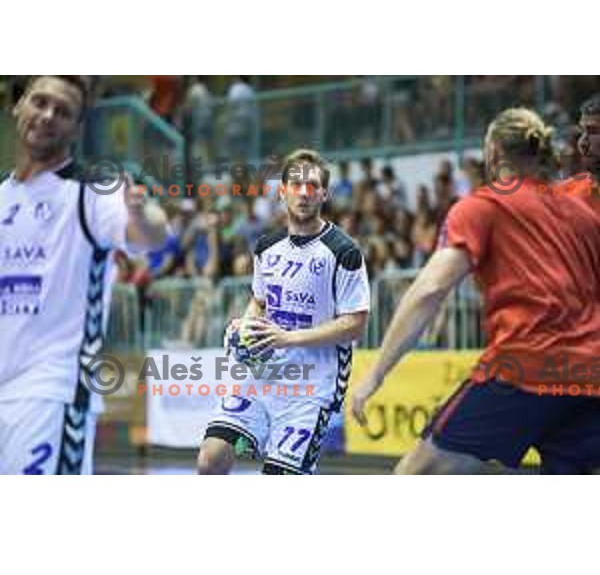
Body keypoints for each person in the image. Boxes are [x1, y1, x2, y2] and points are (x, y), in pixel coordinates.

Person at [351, 107, 600, 474]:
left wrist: (375, 373)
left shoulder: (484, 204)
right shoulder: (583, 214)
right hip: (591, 379)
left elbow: (430, 289)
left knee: (416, 475)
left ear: (493, 152)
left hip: (525, 368)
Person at [0, 76, 168, 475]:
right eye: (40, 102)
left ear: (77, 128)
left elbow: (153, 234)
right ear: (17, 106)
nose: (48, 115)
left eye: (63, 111)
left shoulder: (90, 191)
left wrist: (141, 213)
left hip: (51, 392)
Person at [197, 149, 370, 474]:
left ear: (324, 193)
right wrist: (244, 328)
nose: (304, 192)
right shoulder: (267, 246)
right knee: (210, 459)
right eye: (296, 183)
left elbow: (355, 325)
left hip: (313, 388)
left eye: (313, 185)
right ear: (283, 191)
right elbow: (260, 302)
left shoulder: (344, 251)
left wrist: (288, 338)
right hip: (264, 374)